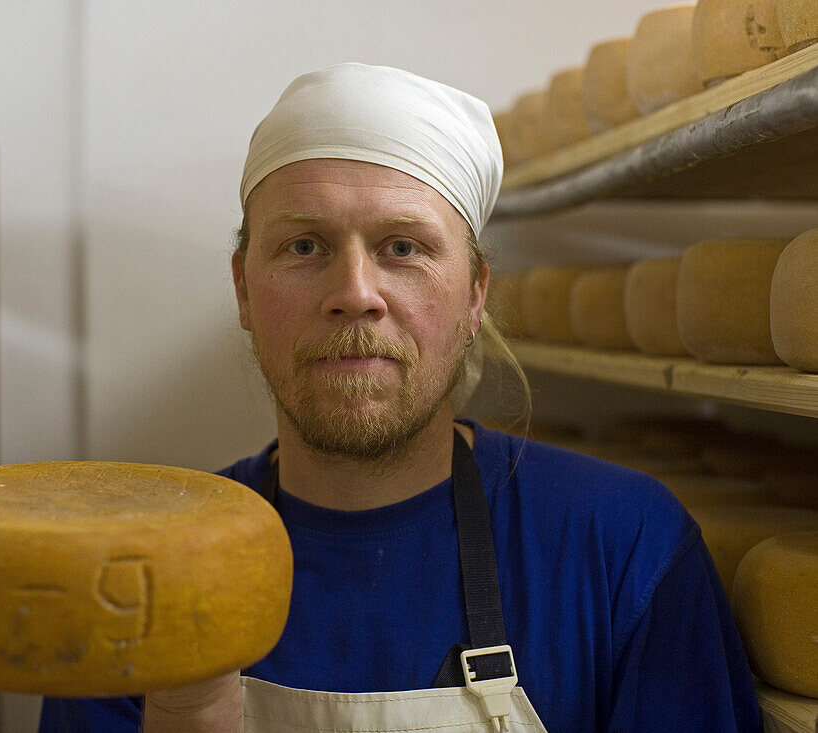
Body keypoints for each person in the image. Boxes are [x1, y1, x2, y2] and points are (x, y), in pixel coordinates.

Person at [39, 63, 762, 732]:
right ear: (243, 289)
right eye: (304, 247)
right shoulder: (134, 586)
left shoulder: (624, 550)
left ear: (475, 294)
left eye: (403, 248)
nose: (355, 294)